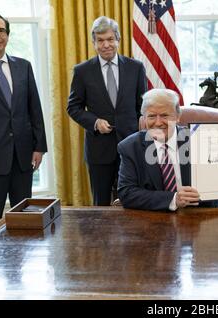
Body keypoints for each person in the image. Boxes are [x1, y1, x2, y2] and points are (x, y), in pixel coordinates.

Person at [0, 13, 47, 230]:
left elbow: (35, 110)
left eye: (1, 31)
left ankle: (21, 262)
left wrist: (39, 147)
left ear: (8, 35)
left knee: (24, 218)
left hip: (23, 158)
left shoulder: (23, 66)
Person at [67, 16, 147, 205]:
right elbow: (73, 107)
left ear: (118, 40)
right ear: (94, 43)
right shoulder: (82, 71)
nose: (106, 45)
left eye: (110, 39)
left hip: (131, 146)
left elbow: (142, 107)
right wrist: (94, 122)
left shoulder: (136, 68)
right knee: (101, 203)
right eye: (100, 40)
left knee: (132, 200)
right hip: (99, 149)